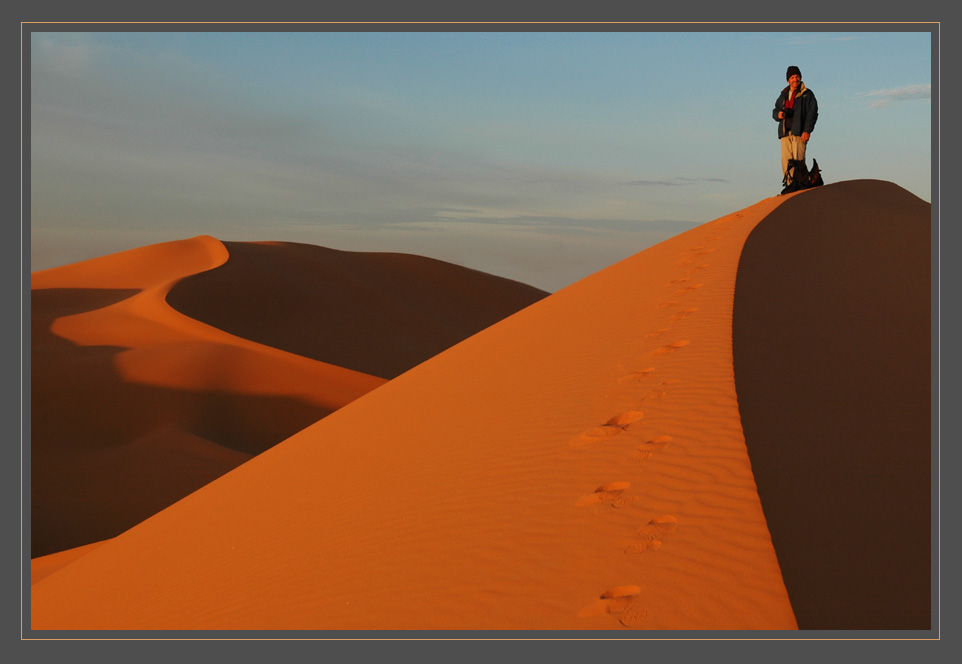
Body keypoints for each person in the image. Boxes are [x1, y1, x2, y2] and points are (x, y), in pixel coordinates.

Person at [773, 65, 818, 192]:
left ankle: (801, 186)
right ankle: (790, 185)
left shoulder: (807, 94)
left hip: (799, 132)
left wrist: (807, 130)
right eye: (792, 77)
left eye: (797, 76)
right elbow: (775, 111)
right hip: (785, 133)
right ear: (788, 80)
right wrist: (779, 115)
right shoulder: (783, 95)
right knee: (786, 161)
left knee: (798, 160)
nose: (795, 79)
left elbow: (812, 113)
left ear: (800, 77)